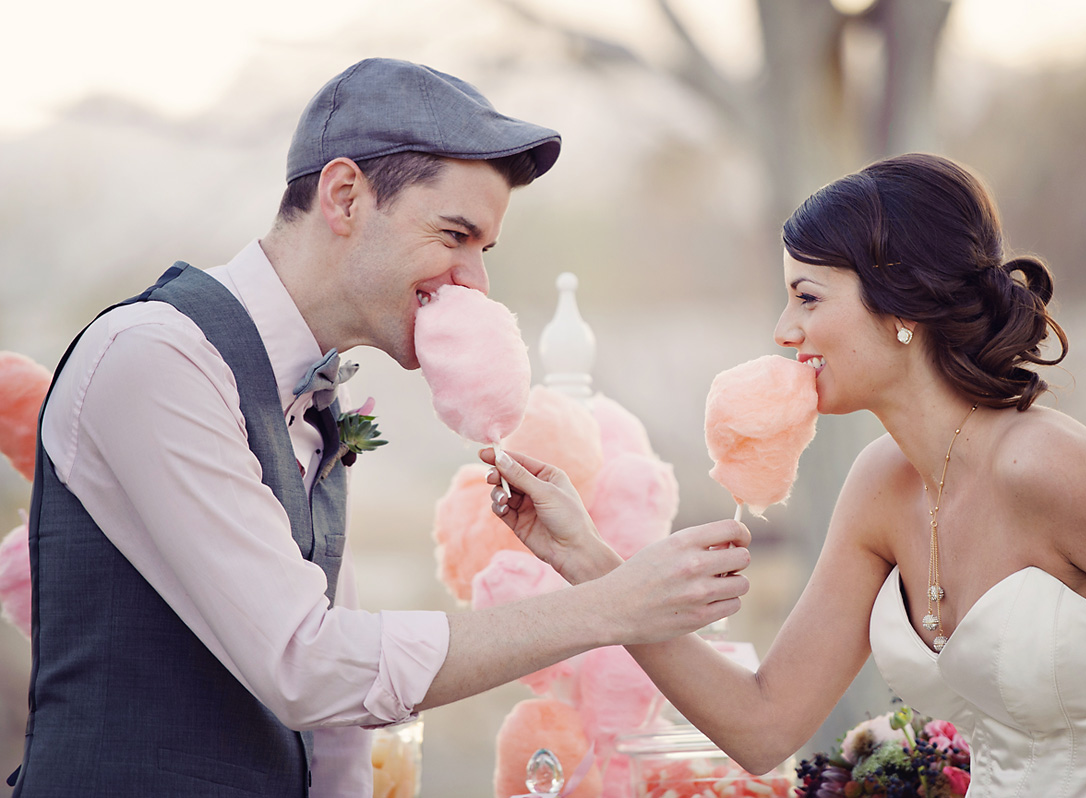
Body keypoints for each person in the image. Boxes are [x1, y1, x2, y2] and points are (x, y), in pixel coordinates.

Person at [10, 58, 751, 797]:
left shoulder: (315, 400)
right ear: (344, 197)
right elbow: (306, 662)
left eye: (483, 250)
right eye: (455, 235)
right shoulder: (157, 358)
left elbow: (334, 731)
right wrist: (608, 607)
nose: (475, 280)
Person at [486, 153, 1086, 796]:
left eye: (809, 296)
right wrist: (587, 558)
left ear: (902, 307)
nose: (783, 329)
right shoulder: (881, 486)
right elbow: (763, 724)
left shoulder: (1045, 465)